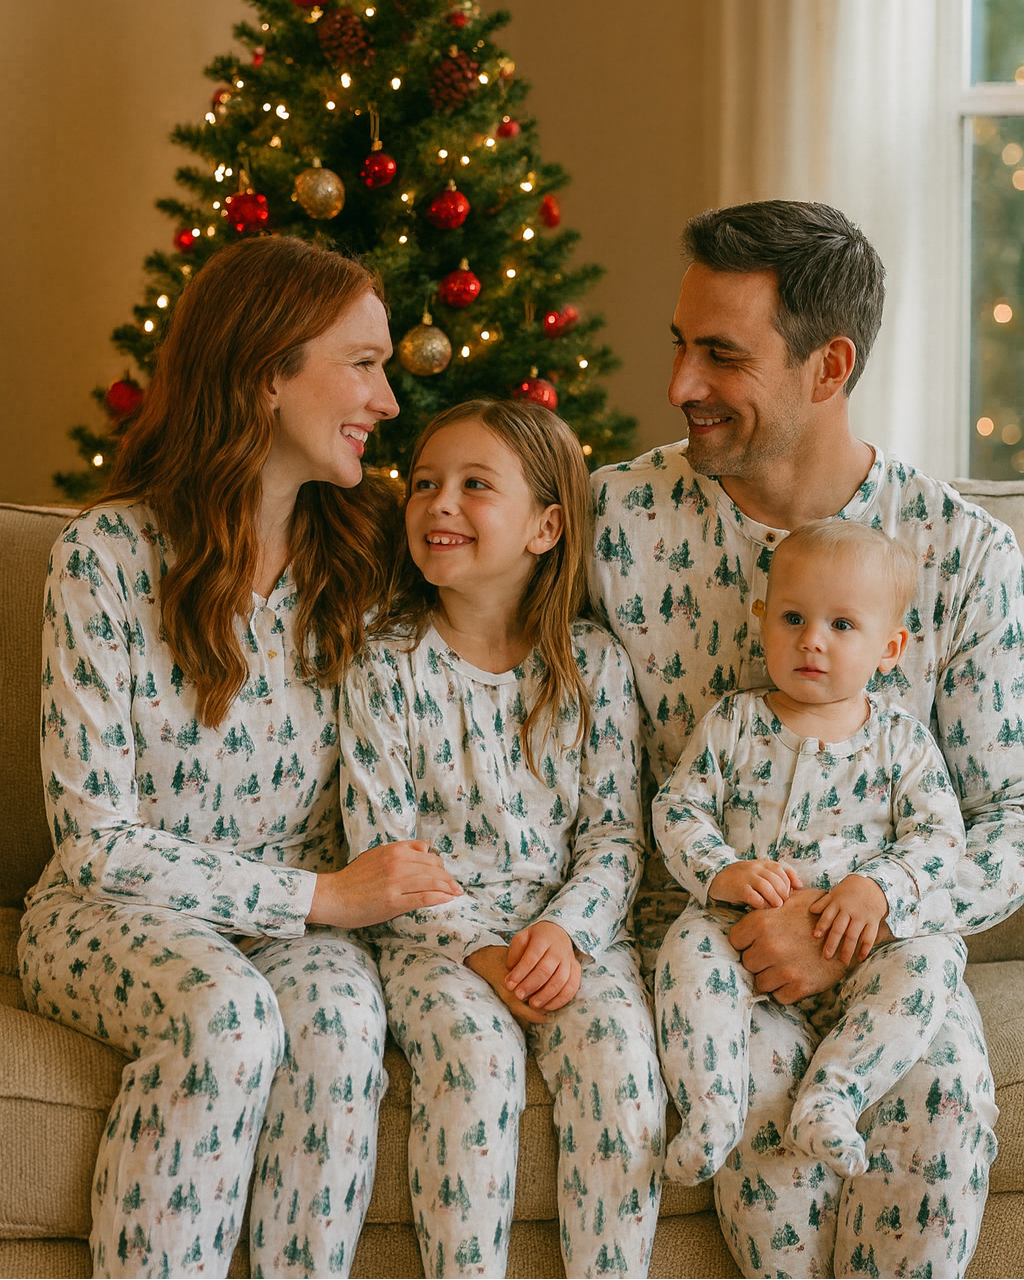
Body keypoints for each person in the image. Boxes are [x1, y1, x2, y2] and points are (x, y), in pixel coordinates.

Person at [590, 199, 1024, 1277]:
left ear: (828, 366)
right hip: (710, 955)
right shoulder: (611, 524)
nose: (679, 384)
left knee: (945, 1100)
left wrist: (862, 920)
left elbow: (1010, 819)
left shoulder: (965, 555)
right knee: (758, 1123)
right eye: (681, 345)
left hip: (890, 952)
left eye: (721, 355)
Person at [18, 236, 463, 1280]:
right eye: (363, 363)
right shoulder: (106, 559)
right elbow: (96, 843)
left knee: (342, 1025)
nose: (388, 399)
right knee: (225, 1017)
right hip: (109, 911)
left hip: (296, 919)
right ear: (268, 371)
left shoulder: (359, 565)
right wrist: (322, 895)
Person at [336, 399, 665, 1279]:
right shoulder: (383, 663)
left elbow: (614, 838)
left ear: (545, 527)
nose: (438, 503)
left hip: (572, 938)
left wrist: (564, 933)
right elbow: (382, 848)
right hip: (435, 944)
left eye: (475, 485)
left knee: (622, 1067)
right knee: (476, 1063)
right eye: (424, 483)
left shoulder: (593, 666)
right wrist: (482, 951)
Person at [653, 520, 967, 1186]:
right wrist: (721, 870)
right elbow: (678, 808)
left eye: (842, 625)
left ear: (890, 648)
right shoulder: (733, 723)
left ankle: (836, 1094)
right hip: (744, 931)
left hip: (864, 951)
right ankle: (710, 1110)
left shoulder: (902, 742)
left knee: (936, 959)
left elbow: (941, 835)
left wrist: (879, 886)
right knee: (688, 951)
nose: (811, 640)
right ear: (762, 618)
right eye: (792, 618)